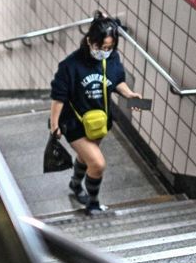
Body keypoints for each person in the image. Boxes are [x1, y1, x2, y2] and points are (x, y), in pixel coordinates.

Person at [49, 13, 142, 215]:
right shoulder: (70, 66)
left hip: (99, 120)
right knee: (97, 163)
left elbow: (117, 81)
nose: (105, 52)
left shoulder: (112, 59)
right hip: (74, 123)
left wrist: (130, 94)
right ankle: (92, 203)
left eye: (110, 48)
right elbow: (59, 97)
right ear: (90, 41)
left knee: (86, 159)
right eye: (101, 47)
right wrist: (54, 124)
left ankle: (75, 184)